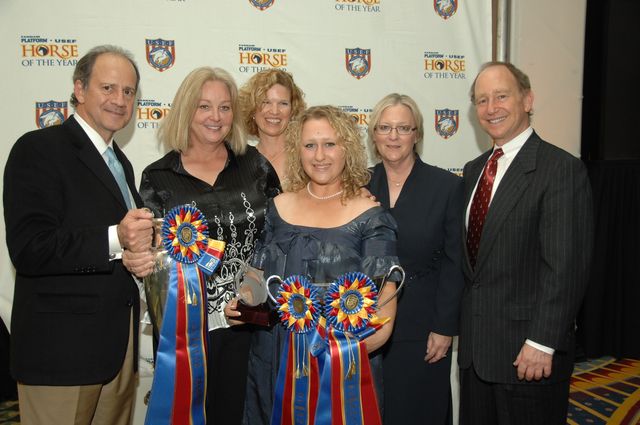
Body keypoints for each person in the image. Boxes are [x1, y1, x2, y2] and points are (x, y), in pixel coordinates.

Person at [3, 45, 154, 425]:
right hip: (61, 356)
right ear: (80, 89)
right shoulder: (38, 149)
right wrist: (117, 238)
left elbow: (114, 250)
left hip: (117, 353)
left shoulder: (120, 163)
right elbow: (29, 249)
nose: (119, 100)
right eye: (108, 88)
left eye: (128, 91)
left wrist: (136, 257)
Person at [236, 105, 399, 425]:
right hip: (275, 366)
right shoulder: (276, 208)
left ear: (347, 149)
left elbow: (384, 319)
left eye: (330, 144)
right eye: (310, 145)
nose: (320, 155)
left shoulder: (371, 217)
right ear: (297, 151)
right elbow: (256, 281)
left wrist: (333, 358)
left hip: (342, 373)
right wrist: (243, 300)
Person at [138, 66, 280, 425]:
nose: (216, 117)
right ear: (187, 110)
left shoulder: (256, 165)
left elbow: (278, 239)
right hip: (187, 332)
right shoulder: (158, 177)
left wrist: (251, 294)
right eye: (204, 106)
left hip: (249, 323)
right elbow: (154, 261)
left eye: (224, 107)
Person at [458, 61, 593, 425]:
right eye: (482, 100)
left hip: (528, 357)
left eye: (501, 96)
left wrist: (542, 341)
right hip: (475, 356)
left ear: (527, 100)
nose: (491, 108)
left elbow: (566, 267)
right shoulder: (474, 170)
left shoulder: (560, 169)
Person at [367, 93, 464, 424]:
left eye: (403, 128)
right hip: (365, 322)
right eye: (385, 128)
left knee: (419, 411)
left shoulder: (446, 186)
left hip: (423, 327)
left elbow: (455, 262)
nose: (393, 136)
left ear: (417, 134)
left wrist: (444, 327)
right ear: (374, 135)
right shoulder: (358, 184)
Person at [238, 69, 306, 181]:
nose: (274, 111)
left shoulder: (305, 157)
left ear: (293, 110)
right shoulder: (240, 162)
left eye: (283, 103)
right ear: (252, 109)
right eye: (266, 102)